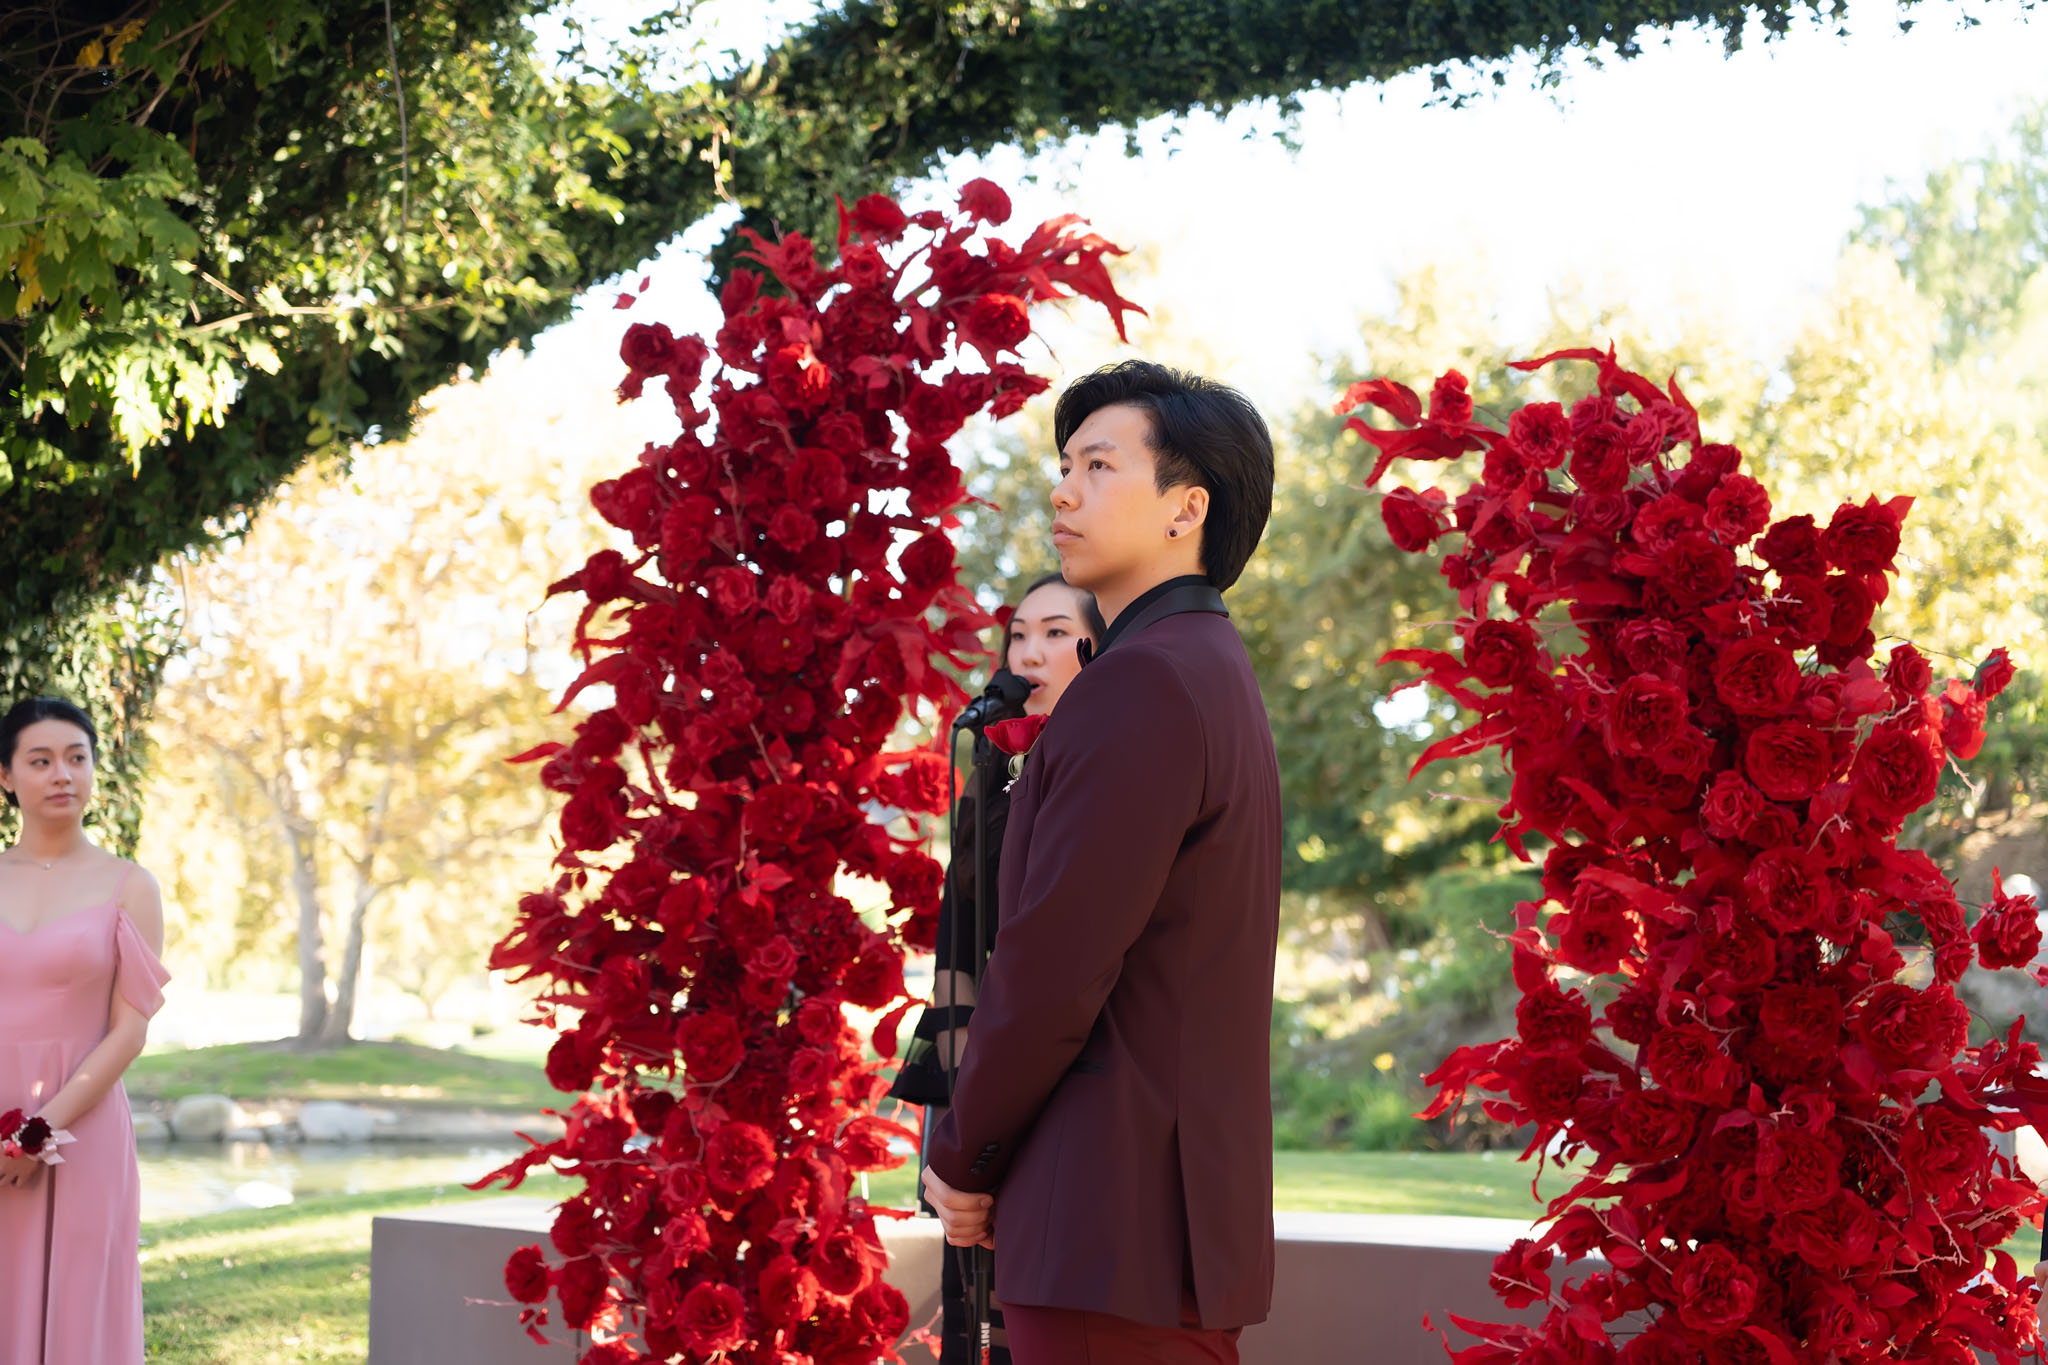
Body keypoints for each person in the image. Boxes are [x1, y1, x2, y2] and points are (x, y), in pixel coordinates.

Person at [921, 360, 1282, 1363]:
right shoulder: (1208, 669)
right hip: (1161, 1227)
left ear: (1186, 508)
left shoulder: (1141, 684)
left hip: (1106, 1222)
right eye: (1064, 466)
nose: (1063, 492)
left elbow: (1053, 968)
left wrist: (962, 1156)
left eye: (1097, 465)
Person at [888, 571, 1107, 1365]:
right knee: (975, 1305)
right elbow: (962, 940)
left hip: (1065, 1084)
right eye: (1018, 634)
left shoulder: (1108, 775)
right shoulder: (990, 768)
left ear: (1100, 649)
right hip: (979, 1071)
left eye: (1056, 632)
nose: (1029, 653)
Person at [0, 696, 171, 1364]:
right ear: (6, 775)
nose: (62, 774)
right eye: (41, 760)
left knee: (80, 1307)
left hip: (85, 1128)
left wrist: (36, 1133)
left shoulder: (130, 886)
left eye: (77, 757)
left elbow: (130, 1031)